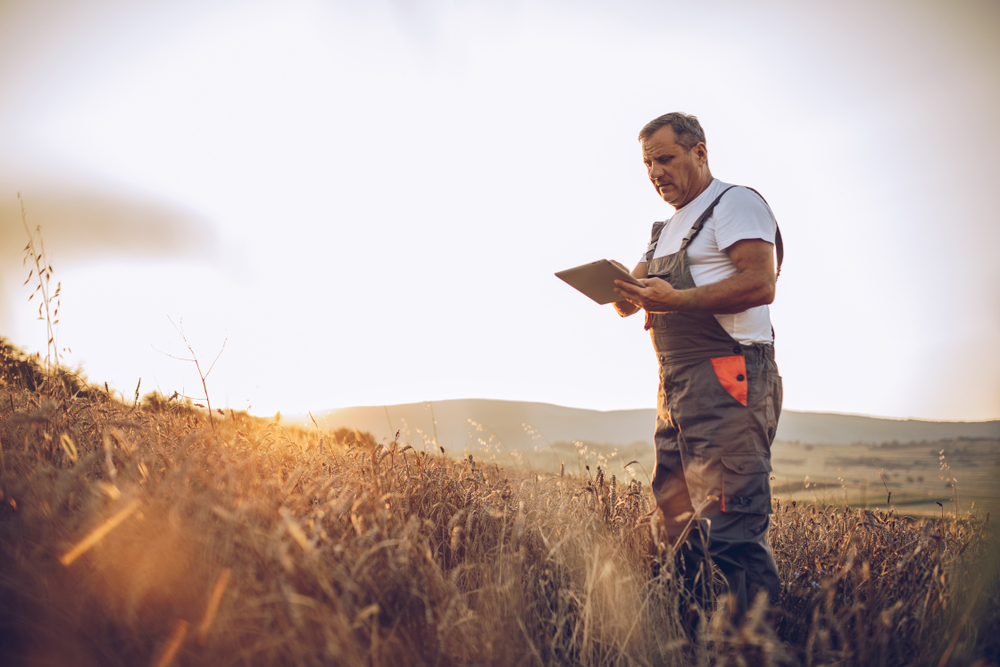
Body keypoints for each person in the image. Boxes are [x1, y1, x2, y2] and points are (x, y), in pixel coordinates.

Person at [612, 112, 783, 617]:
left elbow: (760, 283)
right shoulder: (664, 230)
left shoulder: (735, 204)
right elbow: (636, 296)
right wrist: (622, 293)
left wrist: (678, 300)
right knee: (676, 519)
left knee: (730, 526)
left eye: (664, 158)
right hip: (675, 387)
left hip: (728, 378)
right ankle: (691, 634)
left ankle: (756, 646)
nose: (655, 172)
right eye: (647, 164)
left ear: (699, 152)